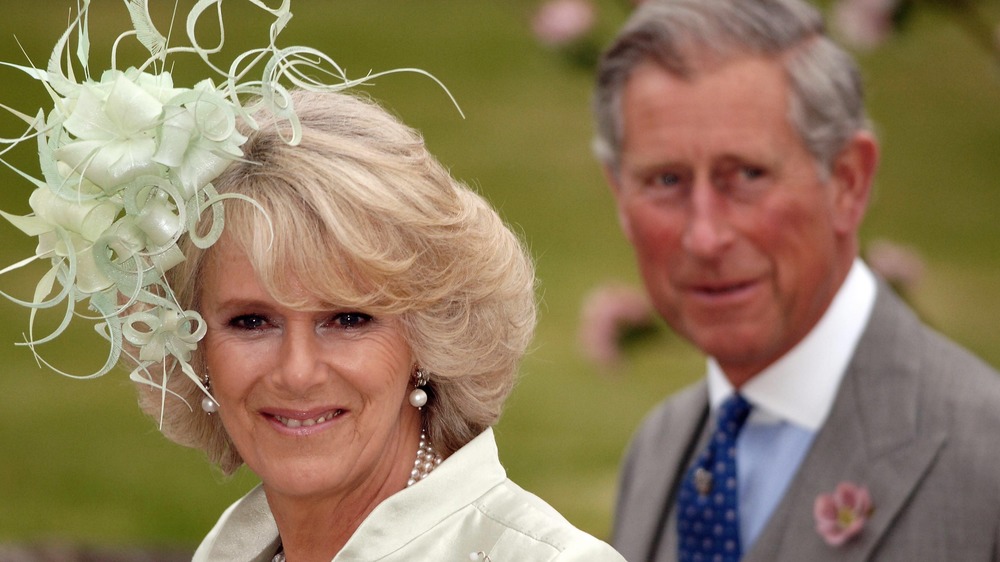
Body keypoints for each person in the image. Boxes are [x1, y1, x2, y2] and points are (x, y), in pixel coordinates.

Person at [0, 2, 626, 561]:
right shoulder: (231, 549)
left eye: (348, 318)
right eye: (251, 321)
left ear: (429, 340)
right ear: (192, 348)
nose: (297, 371)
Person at [590, 0, 1000, 560]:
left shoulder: (985, 460)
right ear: (619, 196)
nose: (705, 236)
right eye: (666, 180)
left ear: (848, 182)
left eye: (748, 175)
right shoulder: (659, 449)